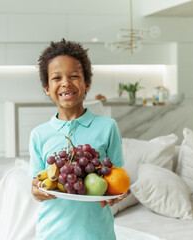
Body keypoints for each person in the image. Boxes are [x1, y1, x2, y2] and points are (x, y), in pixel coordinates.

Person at [29, 39, 130, 240]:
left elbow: (118, 179)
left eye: (74, 76)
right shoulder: (39, 134)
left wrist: (117, 196)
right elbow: (36, 184)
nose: (66, 82)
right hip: (52, 234)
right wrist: (36, 192)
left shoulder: (108, 127)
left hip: (98, 233)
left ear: (87, 83)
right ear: (47, 88)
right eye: (57, 78)